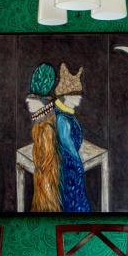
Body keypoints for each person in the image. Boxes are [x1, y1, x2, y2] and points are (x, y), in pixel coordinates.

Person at [54, 63, 90, 213]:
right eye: (77, 95)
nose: (80, 98)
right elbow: (68, 146)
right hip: (68, 168)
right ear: (67, 96)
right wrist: (78, 164)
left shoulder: (67, 114)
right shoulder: (62, 119)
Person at [26, 62, 61, 213]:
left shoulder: (46, 127)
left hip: (46, 180)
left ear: (42, 103)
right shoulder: (41, 122)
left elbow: (46, 161)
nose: (28, 103)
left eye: (31, 100)